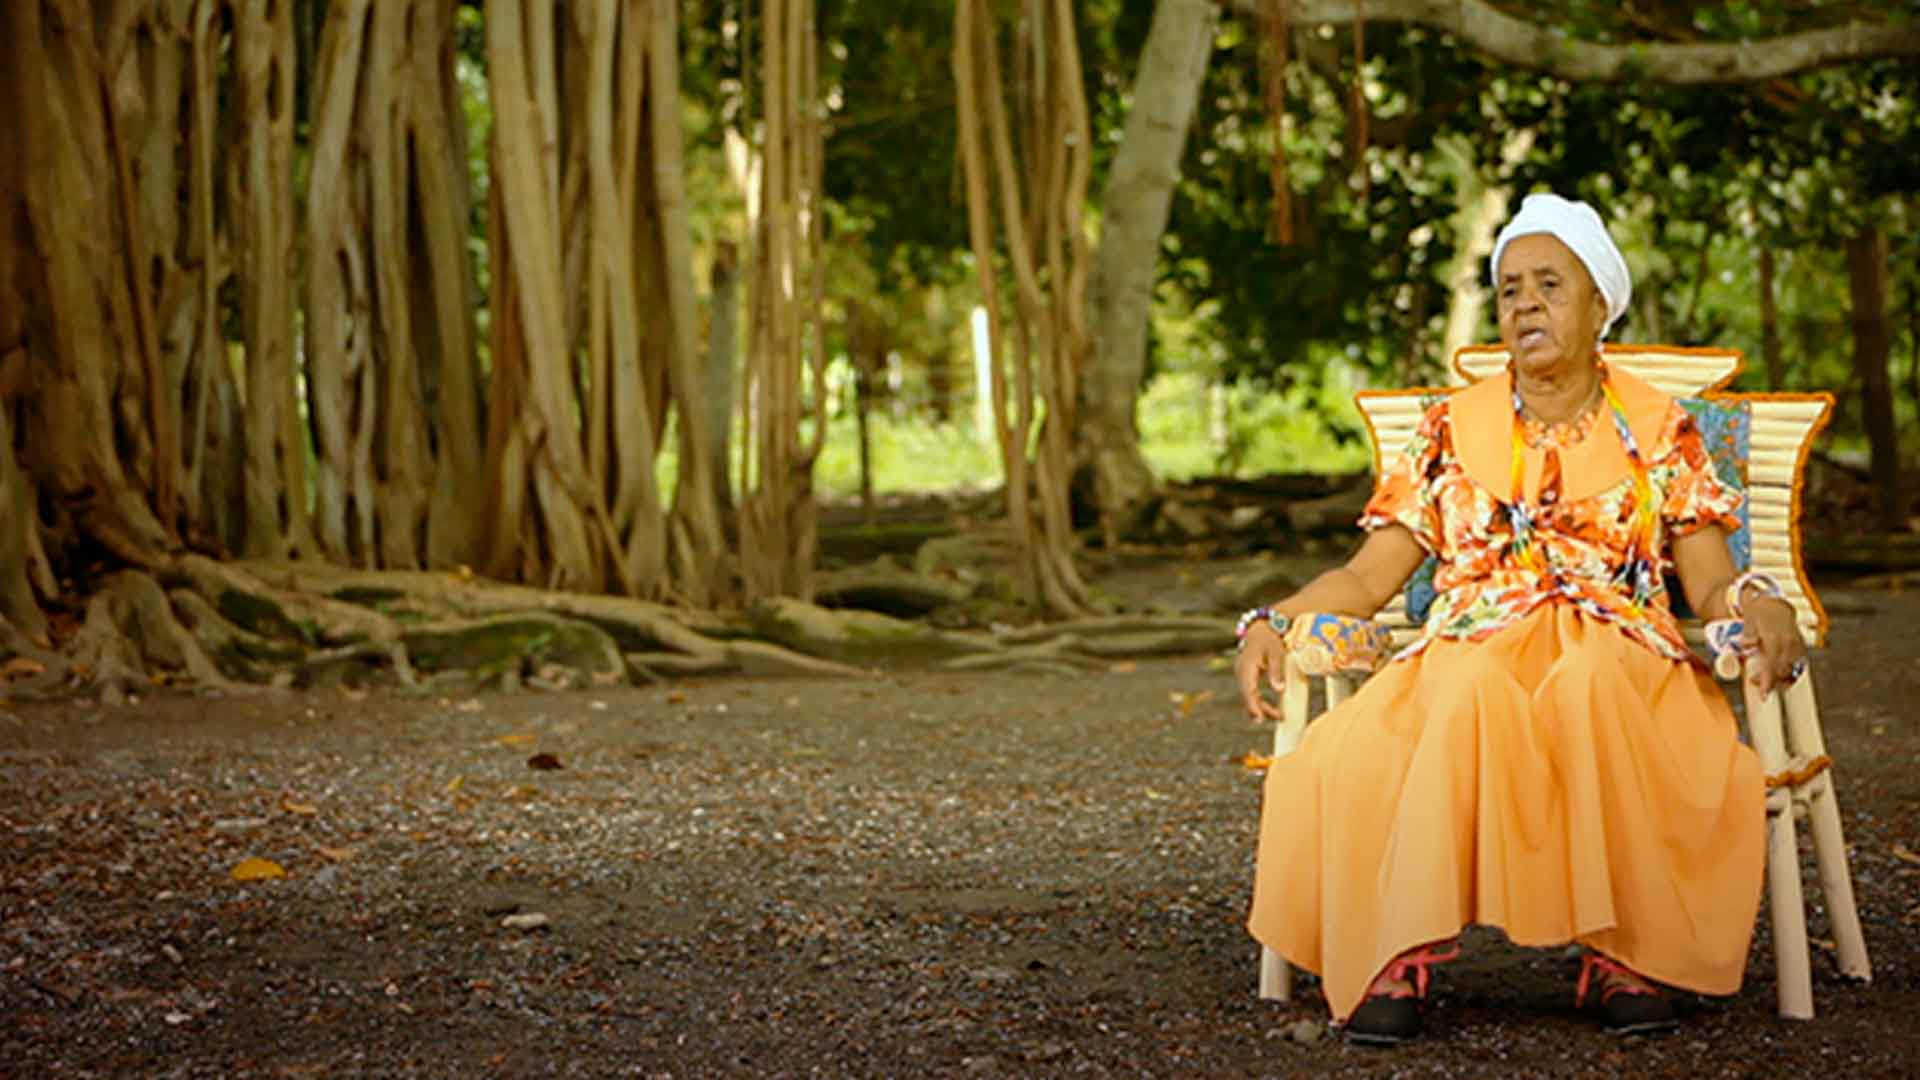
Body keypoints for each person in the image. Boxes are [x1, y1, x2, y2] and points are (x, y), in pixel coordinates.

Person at [1234, 192, 1806, 1045]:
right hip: (1471, 641)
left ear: (1598, 305)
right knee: (1453, 693)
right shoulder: (1447, 430)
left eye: (1549, 284)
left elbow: (1710, 581)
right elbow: (1365, 578)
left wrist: (1762, 601)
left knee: (1588, 681)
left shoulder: (1660, 428)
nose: (1525, 304)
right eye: (1509, 290)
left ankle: (1629, 950)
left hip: (1619, 647)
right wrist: (1269, 619)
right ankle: (1396, 945)